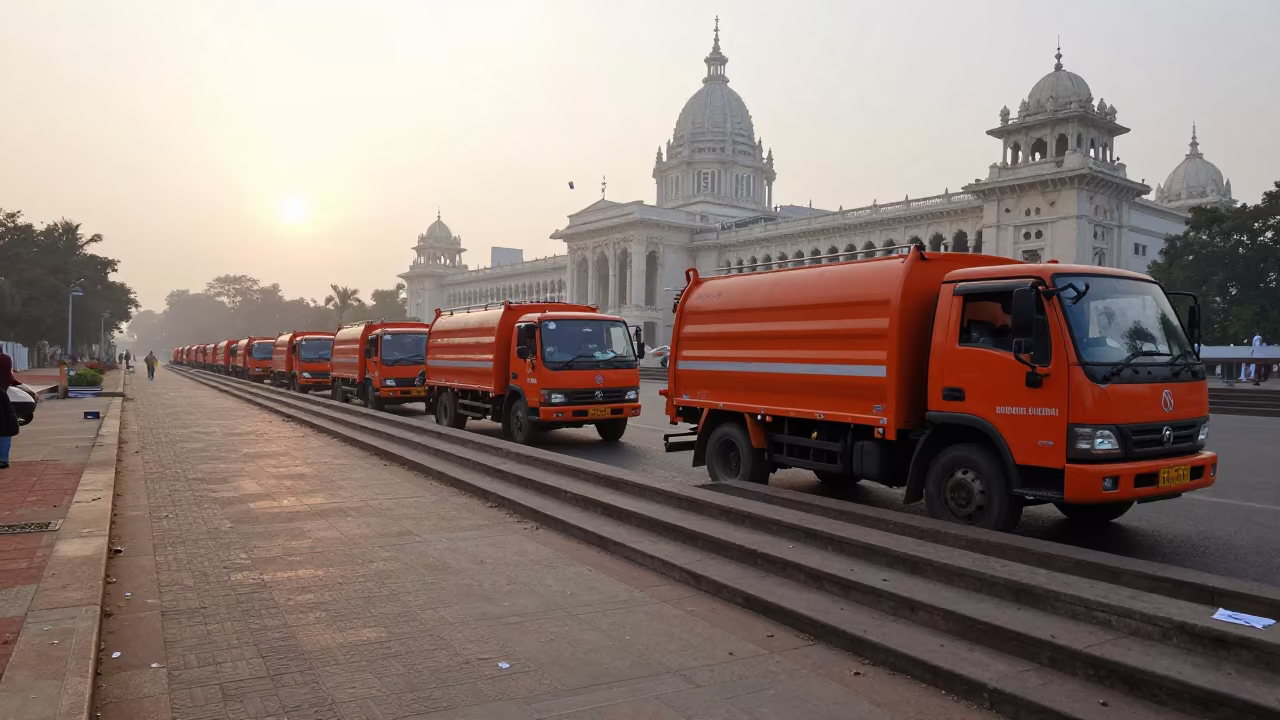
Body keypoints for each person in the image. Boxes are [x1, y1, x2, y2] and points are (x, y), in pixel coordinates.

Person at [0, 352, 37, 469]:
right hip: (2, 394)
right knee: (5, 429)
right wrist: (21, 385)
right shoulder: (5, 359)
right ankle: (3, 459)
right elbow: (9, 376)